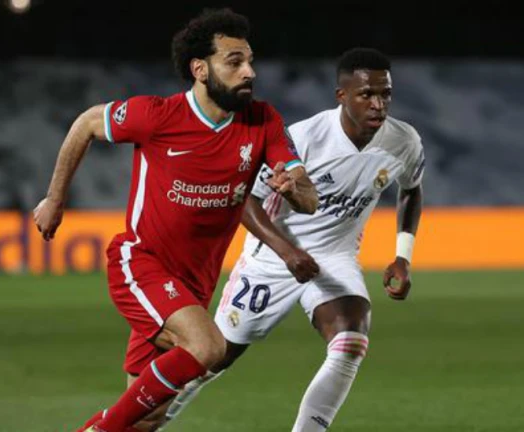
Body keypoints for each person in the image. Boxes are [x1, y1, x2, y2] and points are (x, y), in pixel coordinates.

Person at [31, 8, 318, 432]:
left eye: (250, 60)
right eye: (234, 61)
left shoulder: (263, 121)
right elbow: (87, 122)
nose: (249, 72)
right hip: (141, 264)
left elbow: (309, 198)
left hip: (194, 285)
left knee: (145, 421)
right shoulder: (158, 116)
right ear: (200, 69)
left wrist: (294, 189)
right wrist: (55, 199)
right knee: (208, 346)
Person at [156, 47, 425, 431]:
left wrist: (403, 255)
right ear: (342, 96)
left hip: (334, 256)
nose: (378, 104)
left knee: (351, 342)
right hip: (272, 258)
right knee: (211, 358)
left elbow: (411, 189)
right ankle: (141, 422)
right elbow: (244, 200)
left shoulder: (403, 141)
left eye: (386, 94)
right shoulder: (303, 139)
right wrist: (287, 253)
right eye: (367, 94)